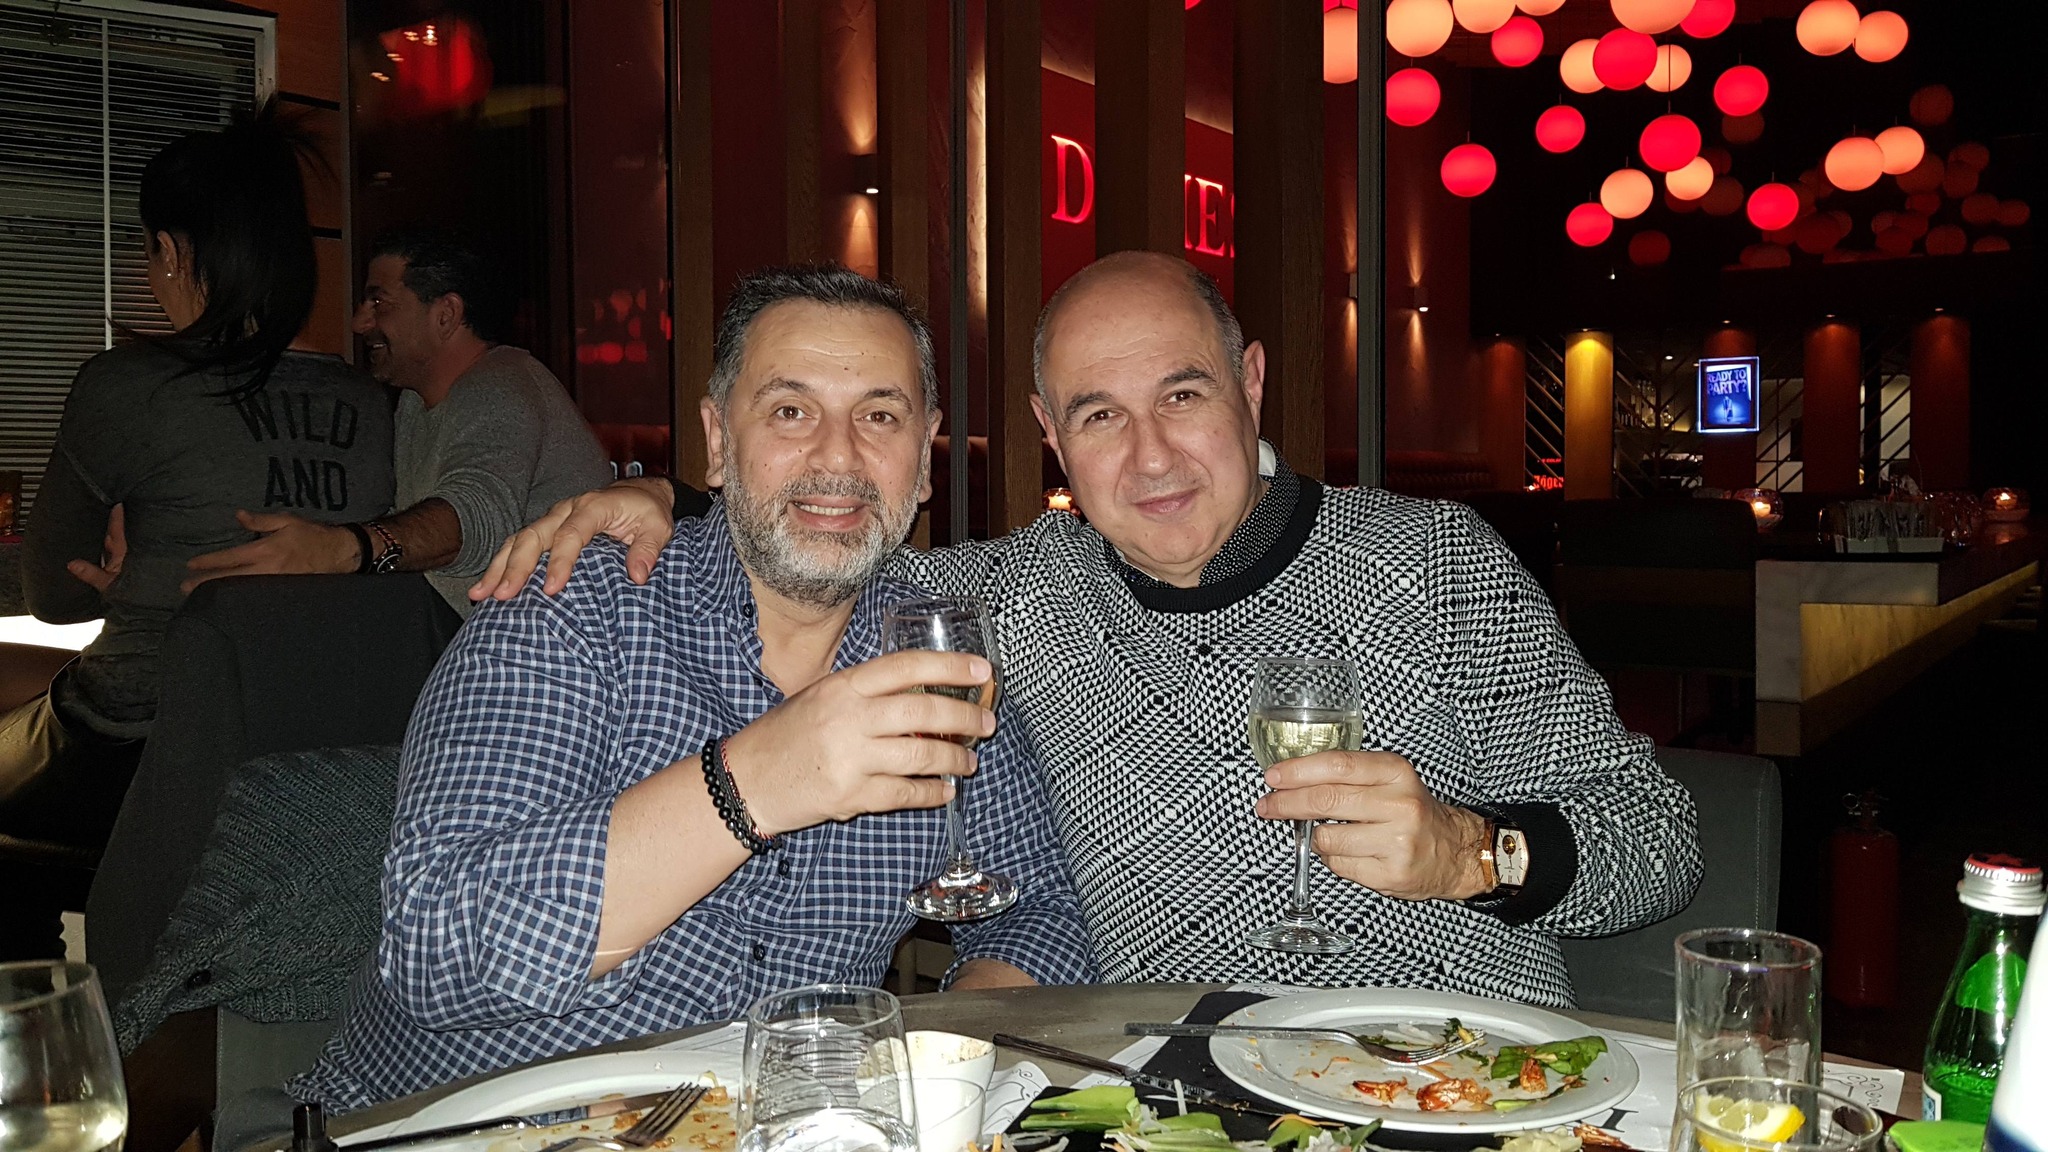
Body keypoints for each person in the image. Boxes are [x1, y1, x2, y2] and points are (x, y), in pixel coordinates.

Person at [479, 251, 1703, 1006]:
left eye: (1182, 394)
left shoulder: (1431, 562)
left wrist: (1476, 852)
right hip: (1174, 1095)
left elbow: (1657, 836)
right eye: (1099, 415)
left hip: (1465, 1076)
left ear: (1250, 385)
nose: (1151, 456)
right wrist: (667, 496)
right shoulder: (1015, 595)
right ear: (1048, 435)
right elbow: (825, 525)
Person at [286, 264, 1093, 1114]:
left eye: (879, 416)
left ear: (923, 459)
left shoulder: (932, 655)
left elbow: (1041, 905)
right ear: (716, 439)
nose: (838, 456)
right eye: (790, 411)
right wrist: (748, 786)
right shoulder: (572, 607)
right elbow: (435, 955)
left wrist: (935, 1062)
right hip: (468, 1121)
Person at [1, 108, 395, 960]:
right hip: (307, 744)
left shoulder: (124, 385)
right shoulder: (370, 405)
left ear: (174, 252)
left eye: (150, 252)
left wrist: (125, 568)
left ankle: (49, 1022)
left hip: (140, 742)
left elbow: (54, 596)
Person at [181, 229, 612, 617]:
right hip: (478, 631)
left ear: (445, 314)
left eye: (379, 303)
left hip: (560, 648)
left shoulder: (502, 385)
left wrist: (342, 549)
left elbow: (477, 517)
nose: (359, 322)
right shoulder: (412, 402)